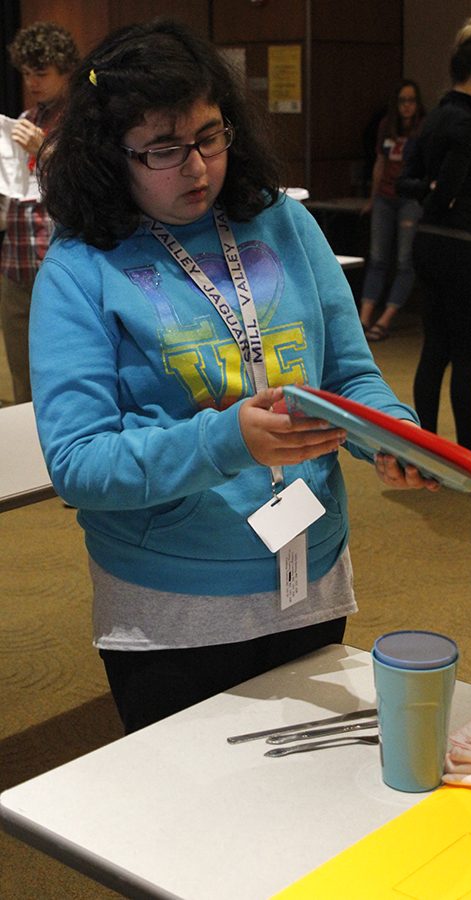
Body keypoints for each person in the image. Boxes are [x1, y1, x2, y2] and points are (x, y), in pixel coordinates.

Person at [30, 20, 439, 735]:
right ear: (109, 154)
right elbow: (79, 465)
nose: (196, 169)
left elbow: (349, 376)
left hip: (308, 564)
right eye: (163, 148)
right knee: (192, 824)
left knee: (306, 811)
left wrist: (392, 437)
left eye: (210, 137)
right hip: (172, 602)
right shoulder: (80, 267)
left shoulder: (284, 224)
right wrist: (226, 442)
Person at [398, 16, 471, 452]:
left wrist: (429, 191)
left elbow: (408, 182)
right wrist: (441, 193)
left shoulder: (434, 119)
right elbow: (446, 191)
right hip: (463, 250)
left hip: (427, 246)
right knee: (467, 358)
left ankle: (427, 450)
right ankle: (465, 456)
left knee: (434, 350)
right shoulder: (467, 125)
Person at [0, 22, 79, 404]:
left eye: (42, 73)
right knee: (20, 378)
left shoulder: (83, 118)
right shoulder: (27, 116)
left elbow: (87, 180)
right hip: (15, 262)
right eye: (27, 73)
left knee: (61, 377)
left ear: (65, 70)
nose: (32, 82)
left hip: (59, 264)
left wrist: (44, 147)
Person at [360, 80, 425, 342]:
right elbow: (380, 162)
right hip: (385, 199)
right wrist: (373, 198)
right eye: (402, 101)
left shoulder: (423, 128)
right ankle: (363, 318)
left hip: (409, 200)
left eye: (411, 100)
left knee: (404, 261)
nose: (407, 106)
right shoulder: (386, 125)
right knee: (377, 258)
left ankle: (385, 319)